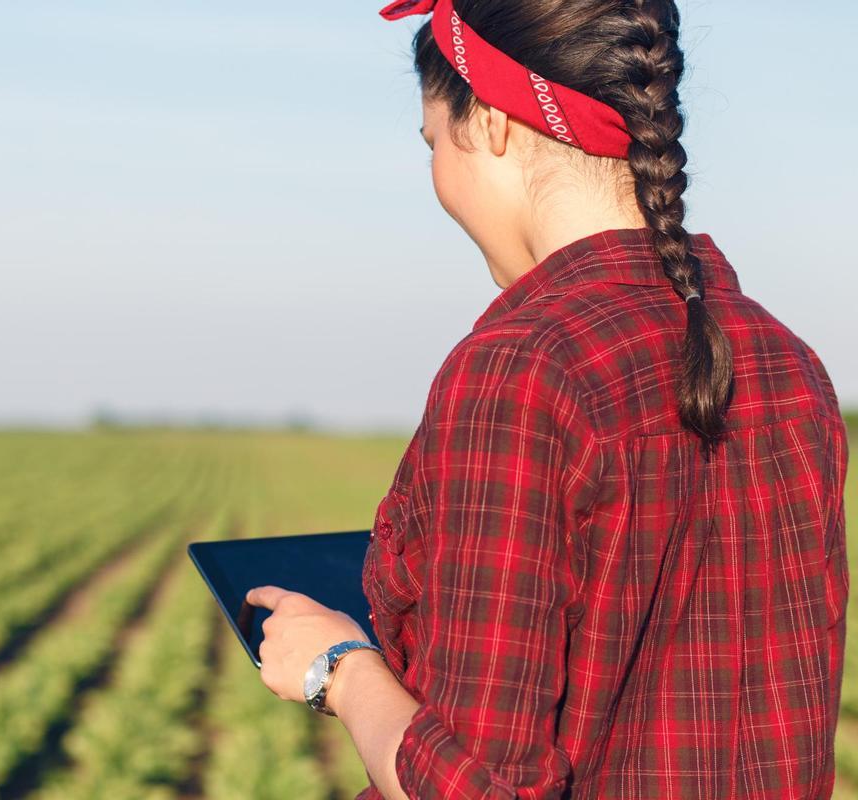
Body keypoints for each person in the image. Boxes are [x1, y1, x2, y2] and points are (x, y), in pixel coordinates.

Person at [244, 0, 850, 797]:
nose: (436, 176)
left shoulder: (520, 370)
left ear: (493, 121)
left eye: (434, 143)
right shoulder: (789, 365)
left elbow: (482, 788)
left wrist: (339, 670)